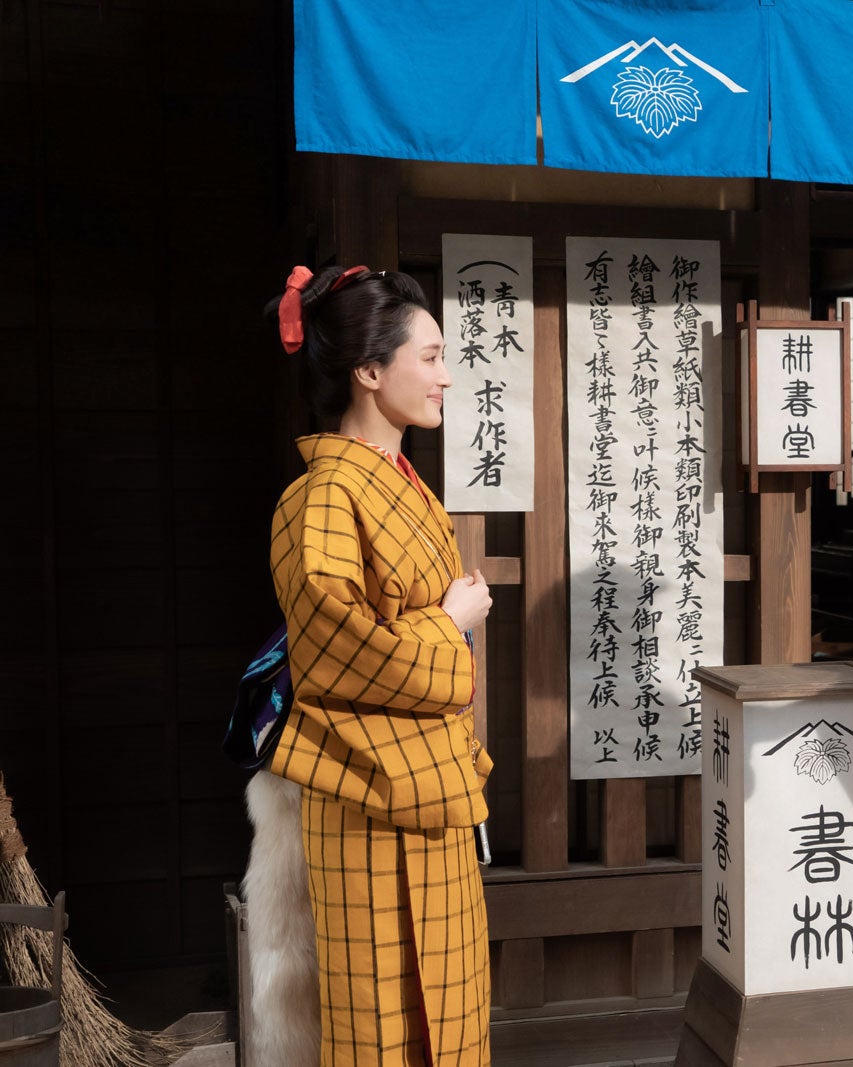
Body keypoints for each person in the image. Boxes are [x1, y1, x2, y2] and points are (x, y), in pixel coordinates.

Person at [264, 264, 495, 1065]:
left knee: (452, 1019)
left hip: (432, 788)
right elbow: (340, 651)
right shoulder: (322, 496)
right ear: (368, 370)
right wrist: (449, 623)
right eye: (429, 357)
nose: (444, 375)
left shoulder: (402, 486)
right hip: (365, 793)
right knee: (381, 1026)